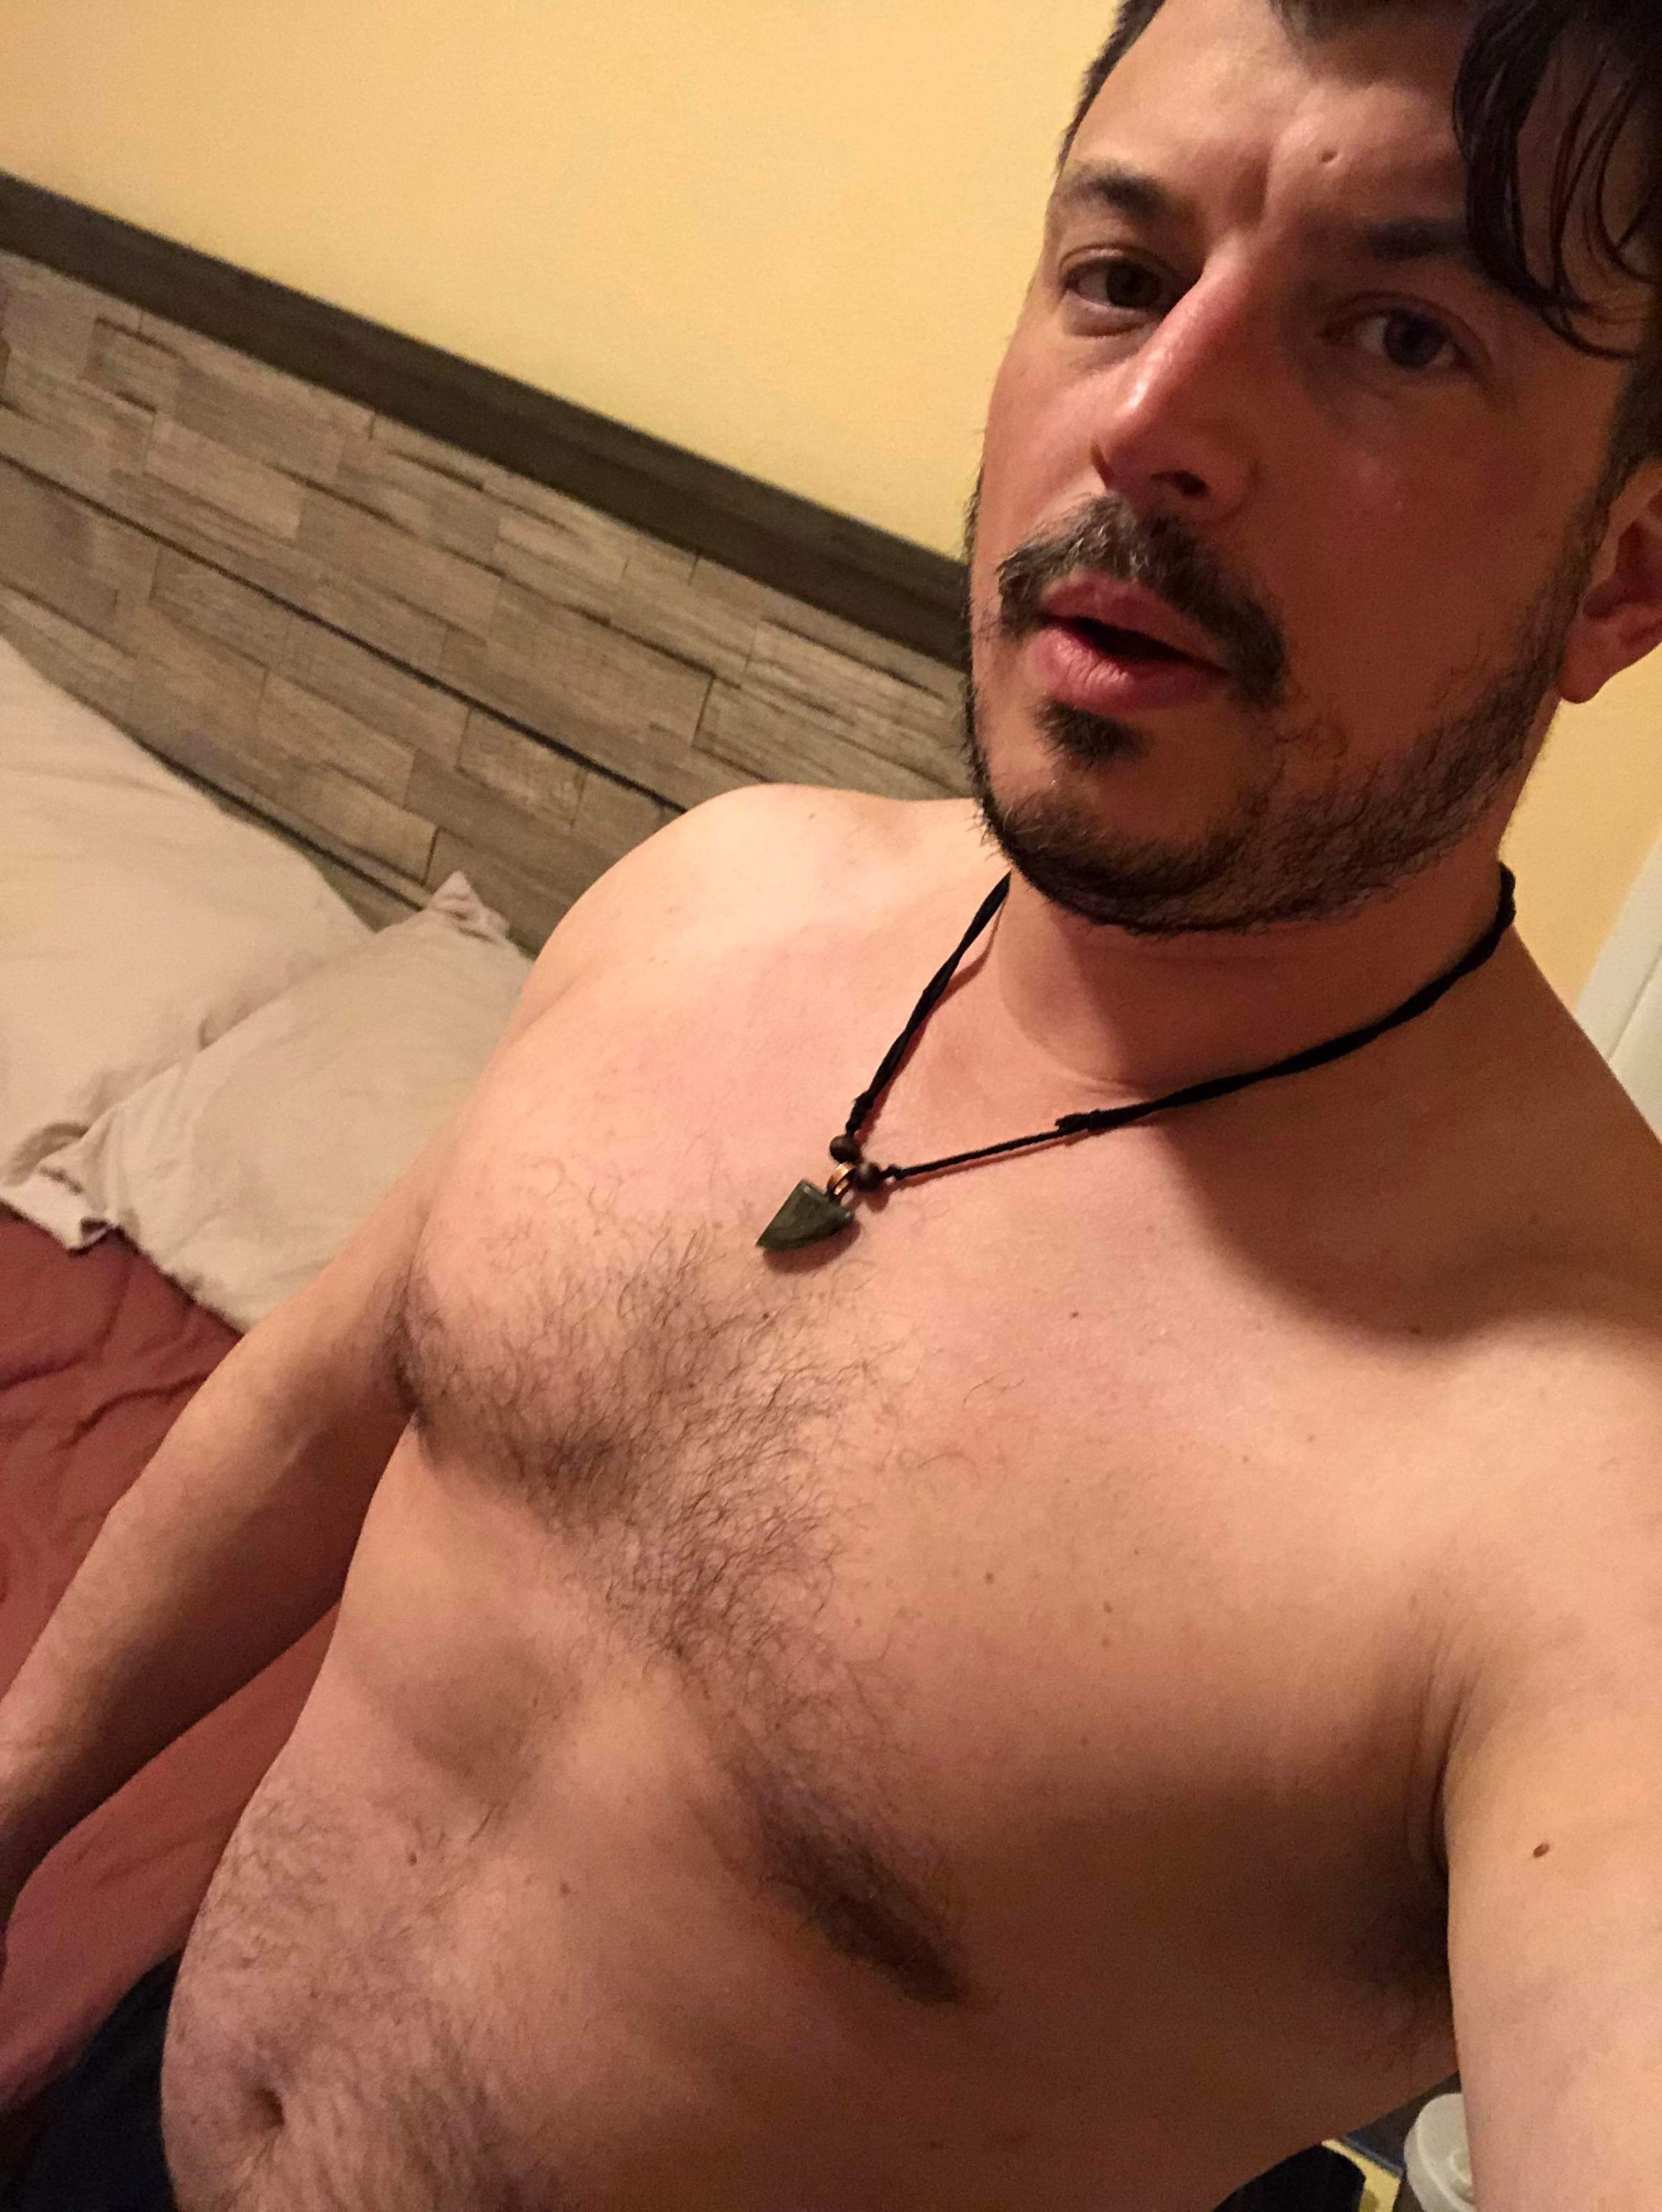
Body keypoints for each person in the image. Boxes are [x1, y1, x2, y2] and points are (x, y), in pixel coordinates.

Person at [4, 0, 1662, 2204]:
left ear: (1624, 573)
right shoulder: (716, 891)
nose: (1154, 420)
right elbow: (324, 1400)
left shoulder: (1582, 1474)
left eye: (1401, 335)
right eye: (1121, 274)